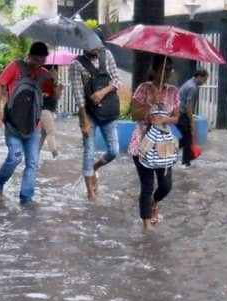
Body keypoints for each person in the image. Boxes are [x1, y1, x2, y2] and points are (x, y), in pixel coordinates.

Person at [0, 42, 53, 205]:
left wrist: (55, 84)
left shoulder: (44, 74)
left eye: (42, 61)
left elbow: (50, 97)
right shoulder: (15, 67)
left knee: (32, 162)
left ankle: (26, 199)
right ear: (30, 56)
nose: (39, 64)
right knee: (15, 157)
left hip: (33, 125)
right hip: (13, 123)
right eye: (37, 60)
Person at [128, 55, 180, 232]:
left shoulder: (173, 91)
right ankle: (147, 225)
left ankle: (154, 203)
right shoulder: (144, 89)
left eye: (170, 70)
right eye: (165, 69)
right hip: (142, 143)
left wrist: (165, 120)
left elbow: (176, 116)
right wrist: (151, 102)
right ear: (154, 71)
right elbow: (133, 115)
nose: (168, 73)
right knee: (147, 185)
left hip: (163, 144)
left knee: (166, 186)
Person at [70, 44, 121, 201]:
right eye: (92, 45)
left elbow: (117, 80)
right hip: (89, 113)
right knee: (89, 151)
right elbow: (79, 96)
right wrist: (84, 121)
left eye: (98, 44)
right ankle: (90, 192)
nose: (96, 48)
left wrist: (102, 91)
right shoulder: (76, 64)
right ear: (85, 44)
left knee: (114, 151)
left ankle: (94, 168)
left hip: (108, 110)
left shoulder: (108, 55)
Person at [176, 69, 208, 166]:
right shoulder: (192, 87)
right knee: (188, 138)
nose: (205, 82)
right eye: (204, 79)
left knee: (186, 138)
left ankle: (172, 153)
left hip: (179, 113)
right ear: (199, 77)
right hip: (181, 115)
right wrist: (192, 122)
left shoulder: (190, 83)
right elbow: (188, 107)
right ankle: (185, 163)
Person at [39, 65, 62, 158]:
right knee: (50, 131)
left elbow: (57, 97)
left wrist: (57, 86)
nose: (57, 73)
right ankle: (54, 152)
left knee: (43, 134)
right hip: (44, 110)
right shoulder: (43, 81)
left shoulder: (54, 83)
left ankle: (34, 154)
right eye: (56, 71)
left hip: (50, 110)